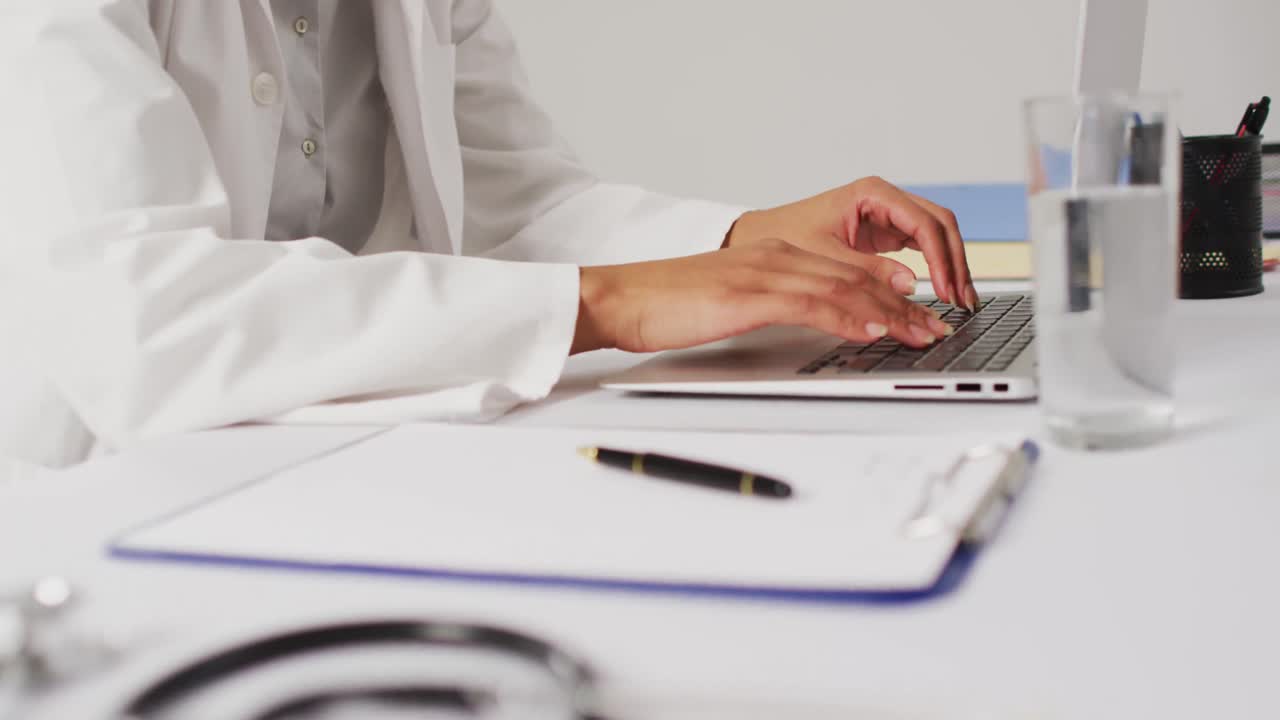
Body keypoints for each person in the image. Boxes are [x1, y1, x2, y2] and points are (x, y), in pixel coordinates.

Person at [0, 1, 975, 477]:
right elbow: (144, 322)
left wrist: (737, 241)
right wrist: (604, 302)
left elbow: (511, 206)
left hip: (353, 464)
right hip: (100, 494)